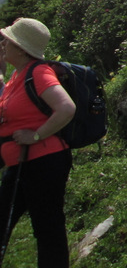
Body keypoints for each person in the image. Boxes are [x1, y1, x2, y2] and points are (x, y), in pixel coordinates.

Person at [0, 17, 76, 267]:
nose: (3, 44)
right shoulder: (17, 75)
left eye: (8, 41)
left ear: (22, 49)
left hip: (44, 162)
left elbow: (66, 108)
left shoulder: (39, 73)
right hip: (21, 163)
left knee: (47, 229)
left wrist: (35, 135)